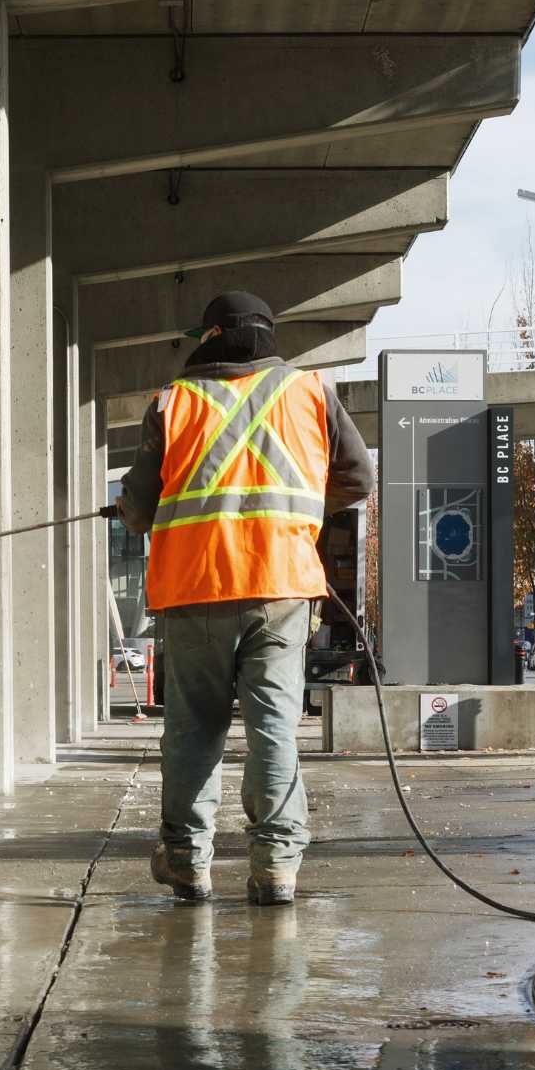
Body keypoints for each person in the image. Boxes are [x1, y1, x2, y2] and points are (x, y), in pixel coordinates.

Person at [116, 291, 374, 906]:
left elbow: (142, 507)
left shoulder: (174, 402)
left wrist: (128, 507)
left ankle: (186, 862)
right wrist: (303, 507)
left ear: (208, 340)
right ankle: (277, 867)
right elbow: (358, 479)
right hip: (282, 589)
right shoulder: (311, 392)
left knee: (192, 731)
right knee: (274, 729)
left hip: (195, 590)